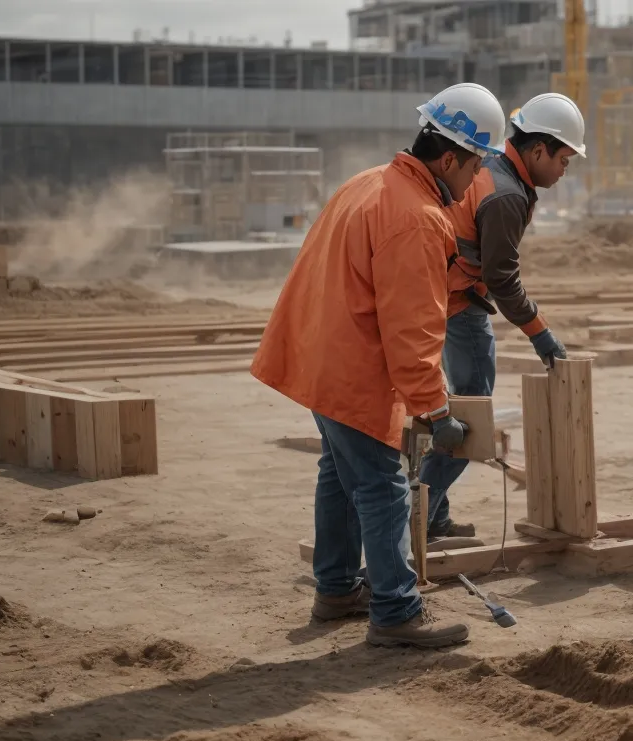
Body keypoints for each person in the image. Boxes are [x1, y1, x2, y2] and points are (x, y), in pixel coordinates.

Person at [251, 82, 508, 649]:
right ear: (449, 158)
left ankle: (338, 588)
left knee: (339, 477)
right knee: (384, 486)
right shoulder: (416, 215)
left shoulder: (367, 184)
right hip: (351, 367)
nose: (476, 183)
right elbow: (412, 329)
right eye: (476, 167)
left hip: (319, 355)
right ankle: (395, 611)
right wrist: (435, 409)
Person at [419, 92, 587, 540]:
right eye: (564, 160)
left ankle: (430, 513)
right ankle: (419, 513)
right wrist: (541, 334)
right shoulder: (507, 195)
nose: (565, 170)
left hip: (446, 295)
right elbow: (502, 280)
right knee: (471, 414)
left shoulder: (495, 172)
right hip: (458, 303)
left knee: (457, 408)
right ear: (537, 151)